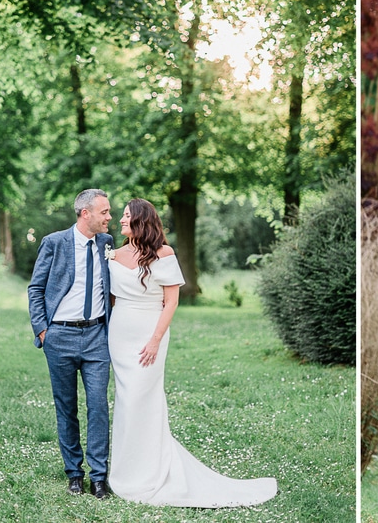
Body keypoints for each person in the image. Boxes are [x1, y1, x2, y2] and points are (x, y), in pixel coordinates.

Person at [106, 198, 278, 507]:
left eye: (126, 216)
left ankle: (150, 469)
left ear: (141, 221)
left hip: (150, 334)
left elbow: (171, 301)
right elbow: (113, 298)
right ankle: (125, 469)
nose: (120, 220)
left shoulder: (163, 254)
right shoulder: (114, 254)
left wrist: (155, 340)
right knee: (125, 400)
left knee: (143, 398)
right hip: (119, 336)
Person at [27, 188, 114, 498]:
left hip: (96, 337)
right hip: (59, 336)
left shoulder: (106, 242)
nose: (109, 217)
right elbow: (36, 288)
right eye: (104, 212)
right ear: (85, 213)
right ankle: (74, 473)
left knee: (98, 406)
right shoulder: (54, 242)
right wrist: (42, 330)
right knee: (66, 407)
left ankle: (99, 476)